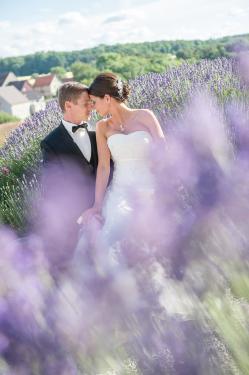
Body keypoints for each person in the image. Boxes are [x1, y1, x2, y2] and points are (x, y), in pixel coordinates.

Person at [76, 72, 165, 267]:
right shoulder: (102, 127)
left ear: (107, 98)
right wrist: (98, 204)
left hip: (152, 187)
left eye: (94, 101)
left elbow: (163, 151)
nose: (93, 106)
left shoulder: (145, 116)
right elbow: (104, 167)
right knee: (117, 221)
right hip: (121, 191)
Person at [39, 82, 98, 272]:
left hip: (107, 206)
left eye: (91, 102)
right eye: (85, 103)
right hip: (77, 221)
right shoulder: (51, 143)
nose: (91, 107)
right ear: (68, 105)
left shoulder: (99, 132)